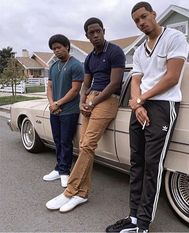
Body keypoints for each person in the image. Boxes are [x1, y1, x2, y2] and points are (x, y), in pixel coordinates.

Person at [106, 2, 189, 232]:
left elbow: (172, 77)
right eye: (136, 21)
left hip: (163, 106)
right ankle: (133, 217)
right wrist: (136, 104)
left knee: (153, 165)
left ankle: (143, 224)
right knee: (137, 163)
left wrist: (141, 100)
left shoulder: (175, 38)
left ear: (153, 14)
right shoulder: (140, 49)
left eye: (144, 17)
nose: (141, 22)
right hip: (141, 107)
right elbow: (135, 80)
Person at [45, 18, 126, 212]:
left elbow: (115, 83)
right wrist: (83, 101)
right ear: (87, 35)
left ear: (103, 31)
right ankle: (82, 194)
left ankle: (70, 191)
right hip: (89, 100)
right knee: (83, 147)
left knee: (88, 145)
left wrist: (92, 102)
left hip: (107, 100)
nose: (95, 35)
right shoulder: (89, 58)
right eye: (91, 33)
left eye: (98, 31)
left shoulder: (115, 52)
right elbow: (86, 85)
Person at [43, 34, 84, 188]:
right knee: (57, 140)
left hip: (69, 111)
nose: (56, 51)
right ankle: (58, 168)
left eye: (59, 47)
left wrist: (58, 103)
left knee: (66, 141)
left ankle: (65, 171)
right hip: (55, 110)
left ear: (67, 46)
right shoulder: (53, 66)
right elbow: (50, 87)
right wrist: (52, 103)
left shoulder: (76, 65)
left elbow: (75, 90)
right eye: (54, 49)